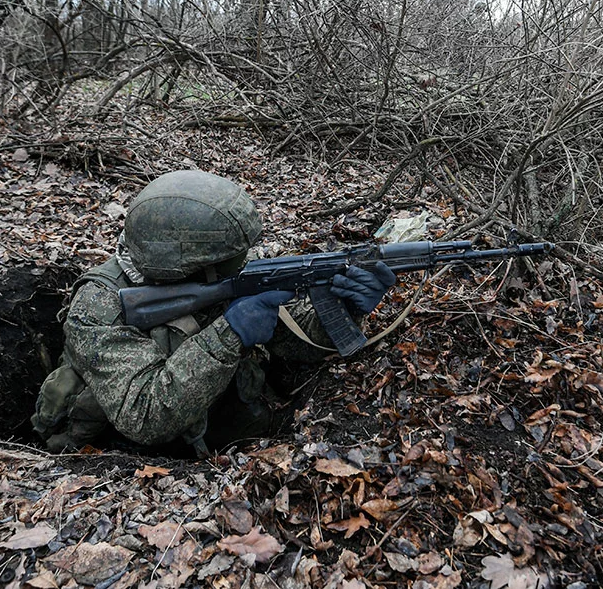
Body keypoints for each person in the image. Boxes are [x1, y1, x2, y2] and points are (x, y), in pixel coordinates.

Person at [31, 170, 397, 454]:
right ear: (182, 264)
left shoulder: (219, 268)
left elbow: (293, 345)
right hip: (124, 458)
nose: (241, 262)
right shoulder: (99, 304)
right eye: (228, 262)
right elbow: (143, 415)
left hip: (227, 432)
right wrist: (229, 333)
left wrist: (346, 305)